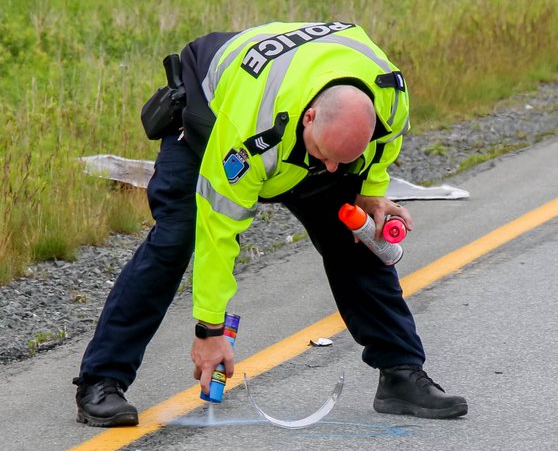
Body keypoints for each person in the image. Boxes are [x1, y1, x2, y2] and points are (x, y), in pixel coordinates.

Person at [73, 21, 467, 426]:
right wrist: (211, 332)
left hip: (299, 123)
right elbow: (218, 230)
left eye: (343, 161)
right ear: (310, 117)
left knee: (355, 234)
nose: (331, 169)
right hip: (211, 115)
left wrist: (368, 188)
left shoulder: (388, 93)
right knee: (177, 236)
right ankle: (100, 380)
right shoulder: (249, 127)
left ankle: (401, 373)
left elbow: (385, 144)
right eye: (325, 155)